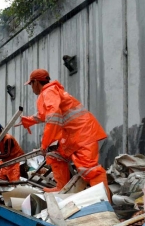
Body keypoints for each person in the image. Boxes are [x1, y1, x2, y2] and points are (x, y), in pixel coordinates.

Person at [21, 69, 110, 198]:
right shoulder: (52, 91)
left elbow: (53, 116)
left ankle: (104, 203)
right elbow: (45, 114)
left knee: (90, 170)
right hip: (74, 135)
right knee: (54, 155)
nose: (31, 87)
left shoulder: (48, 92)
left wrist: (45, 144)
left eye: (30, 84)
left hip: (83, 134)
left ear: (35, 82)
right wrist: (28, 120)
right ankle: (61, 188)